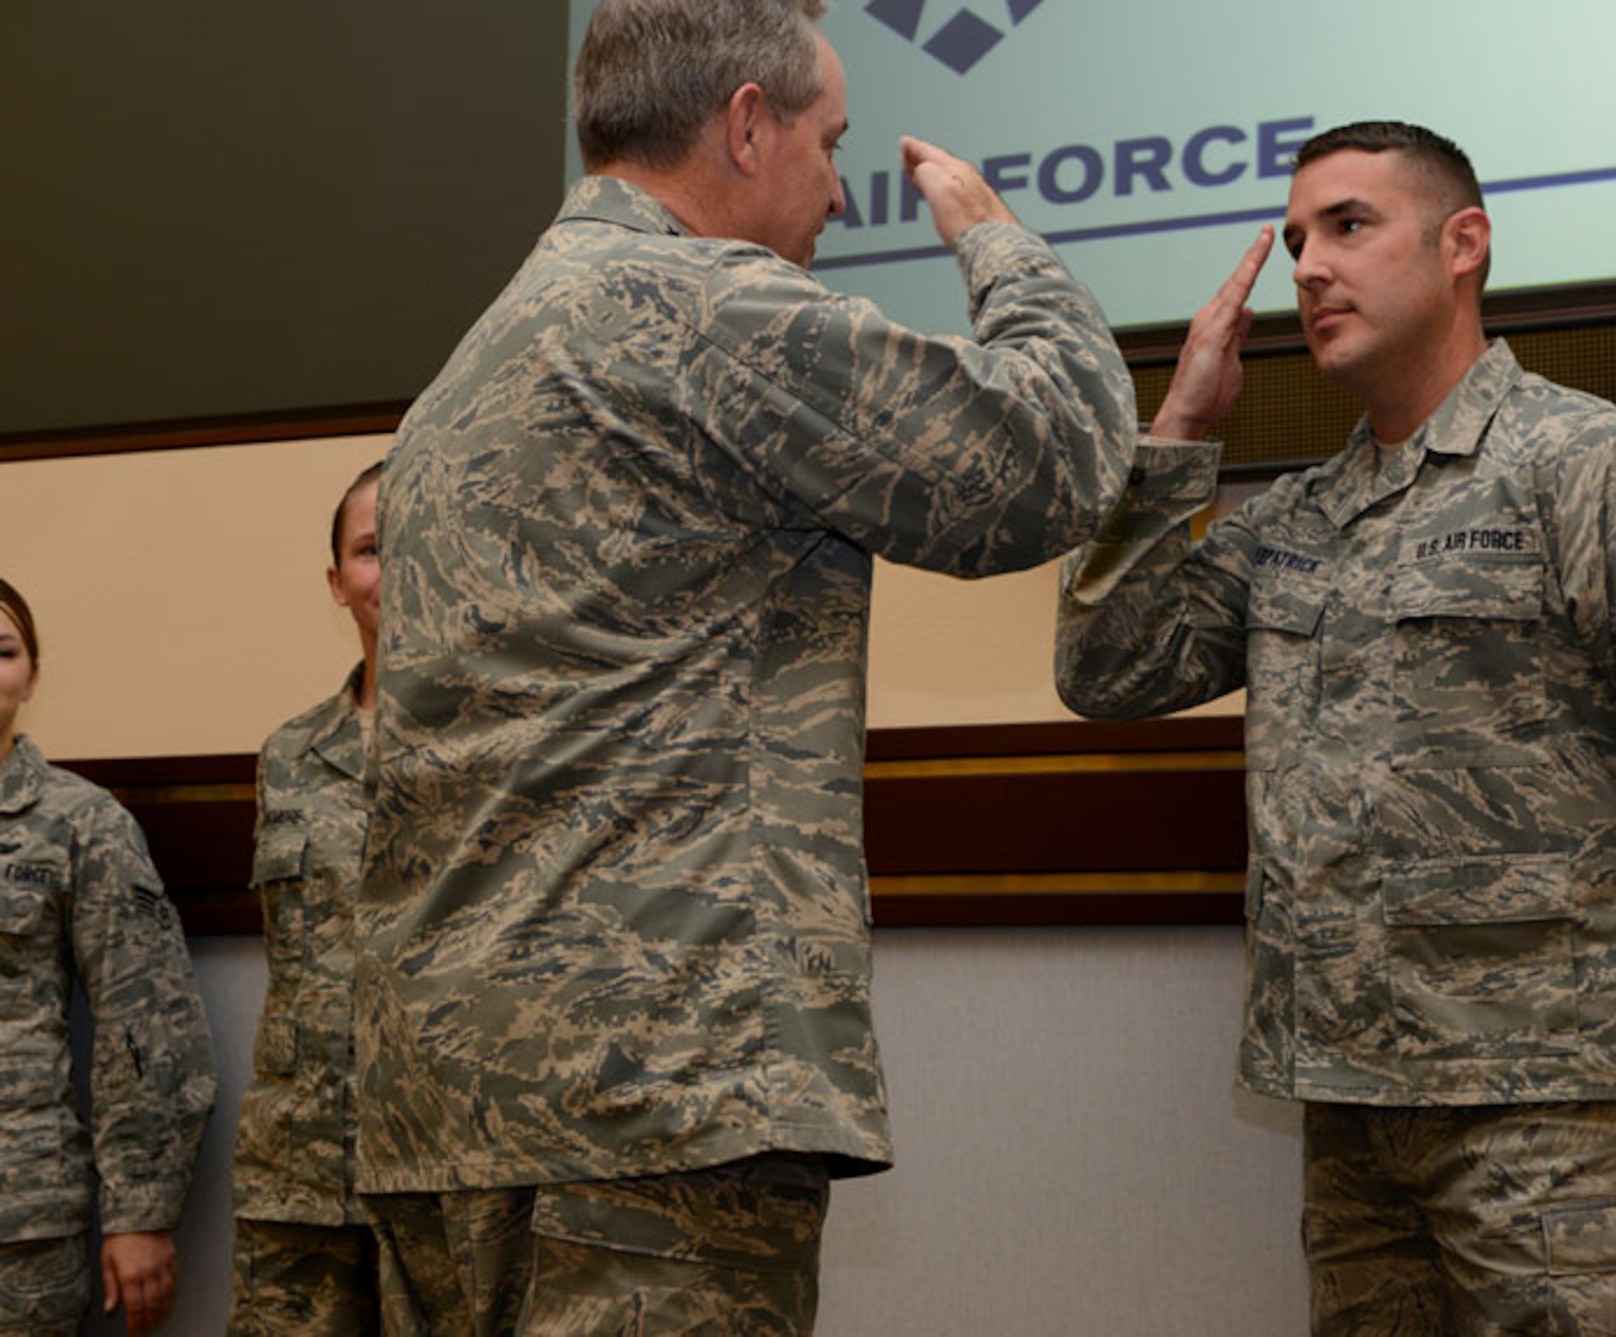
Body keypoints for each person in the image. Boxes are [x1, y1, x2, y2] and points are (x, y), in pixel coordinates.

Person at [355, 0, 1136, 1329]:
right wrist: (997, 237)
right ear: (745, 125)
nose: (840, 190)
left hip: (452, 1108)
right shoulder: (702, 310)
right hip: (653, 1097)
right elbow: (1054, 458)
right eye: (830, 144)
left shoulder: (462, 376)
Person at [1056, 121, 1616, 1333]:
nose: (1308, 266)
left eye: (1348, 226)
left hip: (1558, 1110)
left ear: (1461, 243)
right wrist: (1178, 435)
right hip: (1352, 1109)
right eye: (1297, 238)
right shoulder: (1305, 514)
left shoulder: (1590, 469)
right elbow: (1110, 665)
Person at [0, 578, 216, 1335]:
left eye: (1, 650)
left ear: (31, 673)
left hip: (17, 1225)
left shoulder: (80, 823)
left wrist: (140, 1212)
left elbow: (145, 1018)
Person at [227, 463, 384, 1333]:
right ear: (337, 581)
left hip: (446, 1177)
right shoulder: (287, 753)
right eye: (369, 550)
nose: (392, 570)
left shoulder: (503, 749)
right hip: (298, 1173)